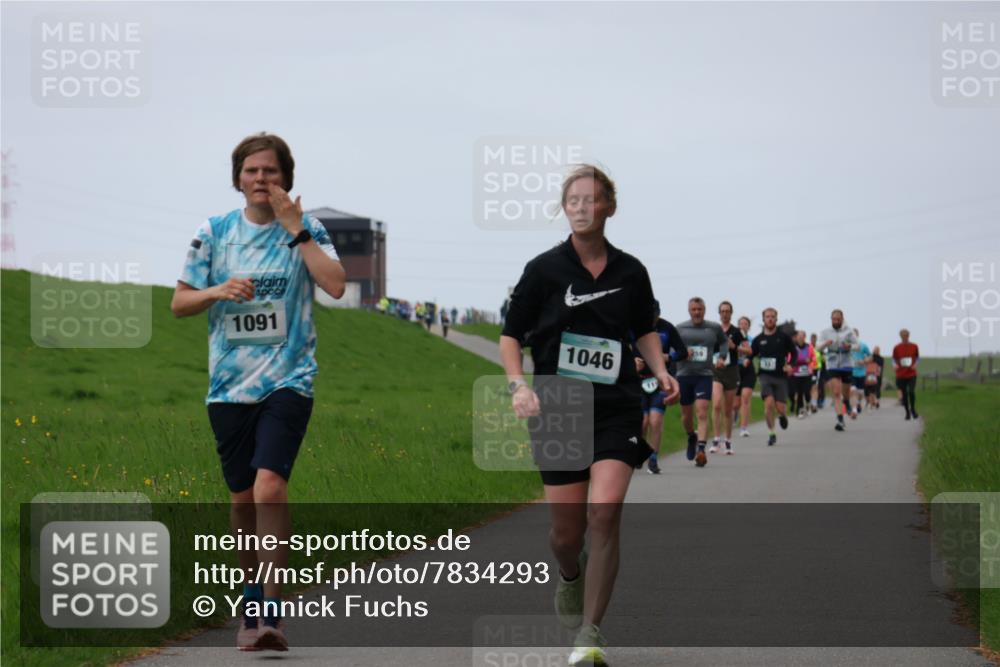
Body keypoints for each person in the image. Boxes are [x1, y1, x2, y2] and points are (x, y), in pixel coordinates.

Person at [171, 133, 346, 652]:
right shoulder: (215, 231)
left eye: (270, 171)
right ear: (237, 178)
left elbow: (335, 285)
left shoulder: (307, 229)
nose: (261, 180)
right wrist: (216, 291)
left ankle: (270, 608)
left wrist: (297, 232)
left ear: (286, 178)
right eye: (251, 171)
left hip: (289, 380)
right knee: (243, 498)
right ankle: (252, 598)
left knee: (271, 485)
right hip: (228, 386)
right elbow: (180, 302)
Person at [499, 164, 679, 667]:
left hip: (616, 407)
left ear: (609, 208)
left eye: (590, 199)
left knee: (605, 513)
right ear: (565, 208)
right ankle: (570, 575)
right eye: (572, 200)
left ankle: (591, 634)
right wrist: (518, 386)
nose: (581, 207)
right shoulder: (543, 270)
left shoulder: (631, 272)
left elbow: (644, 328)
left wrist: (661, 370)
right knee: (566, 534)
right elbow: (512, 334)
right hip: (557, 408)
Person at [632, 302, 687, 473]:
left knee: (655, 420)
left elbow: (682, 352)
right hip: (639, 381)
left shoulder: (667, 328)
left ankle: (654, 459)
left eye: (654, 315)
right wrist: (632, 362)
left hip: (660, 381)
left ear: (659, 313)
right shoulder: (633, 327)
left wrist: (668, 357)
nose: (652, 319)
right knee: (643, 422)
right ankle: (640, 453)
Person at [675, 297, 729, 466]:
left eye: (700, 309)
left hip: (704, 375)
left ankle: (701, 449)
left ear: (704, 310)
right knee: (686, 415)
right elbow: (671, 348)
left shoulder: (713, 327)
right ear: (689, 310)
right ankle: (692, 435)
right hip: (684, 375)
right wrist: (683, 352)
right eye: (694, 309)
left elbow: (724, 341)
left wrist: (721, 357)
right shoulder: (680, 328)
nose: (697, 312)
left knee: (703, 410)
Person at [748, 308, 796, 446]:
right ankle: (772, 433)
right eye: (767, 317)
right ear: (763, 319)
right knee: (769, 404)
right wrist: (747, 360)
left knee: (780, 407)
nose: (770, 319)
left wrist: (790, 365)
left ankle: (782, 415)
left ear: (776, 319)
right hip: (765, 376)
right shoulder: (758, 339)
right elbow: (752, 353)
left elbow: (794, 353)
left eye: (772, 317)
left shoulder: (783, 337)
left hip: (781, 376)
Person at [710, 301, 745, 455]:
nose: (725, 314)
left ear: (731, 313)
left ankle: (728, 441)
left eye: (727, 311)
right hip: (716, 371)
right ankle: (716, 439)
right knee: (716, 404)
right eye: (722, 311)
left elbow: (748, 350)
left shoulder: (737, 332)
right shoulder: (713, 330)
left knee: (728, 409)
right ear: (719, 313)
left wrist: (734, 347)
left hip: (731, 371)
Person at [818, 309, 859, 432]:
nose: (835, 321)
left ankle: (846, 402)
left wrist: (849, 346)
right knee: (836, 392)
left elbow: (857, 345)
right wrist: (826, 344)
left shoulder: (848, 331)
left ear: (842, 319)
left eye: (838, 319)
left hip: (846, 364)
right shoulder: (825, 332)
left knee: (845, 394)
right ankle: (840, 419)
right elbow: (818, 347)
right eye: (833, 319)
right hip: (832, 363)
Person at [892, 329, 920, 420]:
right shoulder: (897, 347)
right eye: (903, 336)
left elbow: (918, 358)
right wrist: (895, 365)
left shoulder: (914, 346)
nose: (905, 337)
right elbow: (894, 359)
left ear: (908, 336)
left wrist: (915, 365)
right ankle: (907, 412)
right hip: (901, 374)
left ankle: (913, 410)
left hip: (911, 373)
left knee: (911, 391)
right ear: (901, 337)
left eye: (906, 336)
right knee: (904, 394)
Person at [736, 315, 755, 438]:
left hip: (748, 370)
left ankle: (744, 427)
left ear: (748, 326)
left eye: (745, 324)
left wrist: (743, 350)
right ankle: (735, 413)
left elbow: (753, 352)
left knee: (746, 398)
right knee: (735, 404)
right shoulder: (733, 338)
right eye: (741, 324)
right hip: (735, 371)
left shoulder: (752, 340)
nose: (743, 325)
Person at [789, 330, 815, 418]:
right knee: (799, 393)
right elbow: (790, 360)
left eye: (802, 337)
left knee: (807, 392)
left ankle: (808, 403)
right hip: (796, 374)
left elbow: (813, 358)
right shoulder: (793, 348)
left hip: (807, 373)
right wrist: (801, 361)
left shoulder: (809, 347)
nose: (800, 338)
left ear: (804, 337)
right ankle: (800, 410)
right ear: (796, 338)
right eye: (798, 337)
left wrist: (810, 361)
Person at [849, 328, 871, 417]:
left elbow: (870, 356)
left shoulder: (863, 345)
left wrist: (864, 361)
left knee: (861, 392)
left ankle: (858, 403)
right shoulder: (848, 346)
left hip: (861, 372)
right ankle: (854, 410)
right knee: (853, 390)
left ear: (857, 335)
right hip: (851, 372)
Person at [811, 332, 826, 410]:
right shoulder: (809, 347)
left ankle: (820, 401)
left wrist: (823, 358)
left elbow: (824, 359)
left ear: (816, 339)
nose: (813, 340)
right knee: (812, 385)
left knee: (819, 385)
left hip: (818, 369)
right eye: (812, 338)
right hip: (810, 369)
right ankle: (812, 401)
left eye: (814, 339)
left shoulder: (819, 348)